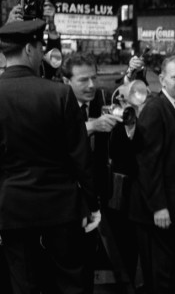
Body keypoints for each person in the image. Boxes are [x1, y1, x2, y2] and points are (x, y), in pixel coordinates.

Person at [0, 19, 101, 293]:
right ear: (31, 50)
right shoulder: (59, 93)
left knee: (24, 283)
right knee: (71, 281)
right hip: (62, 207)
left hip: (12, 207)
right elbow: (81, 158)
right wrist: (92, 204)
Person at [129, 55, 175, 294]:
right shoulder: (155, 109)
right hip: (157, 213)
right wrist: (159, 206)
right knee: (159, 278)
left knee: (168, 275)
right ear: (162, 79)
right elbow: (147, 164)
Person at [60, 53, 123, 292]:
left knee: (90, 267)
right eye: (83, 80)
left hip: (99, 199)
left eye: (94, 78)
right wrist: (90, 126)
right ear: (66, 82)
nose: (91, 85)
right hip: (66, 205)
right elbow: (56, 141)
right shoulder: (55, 104)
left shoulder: (101, 100)